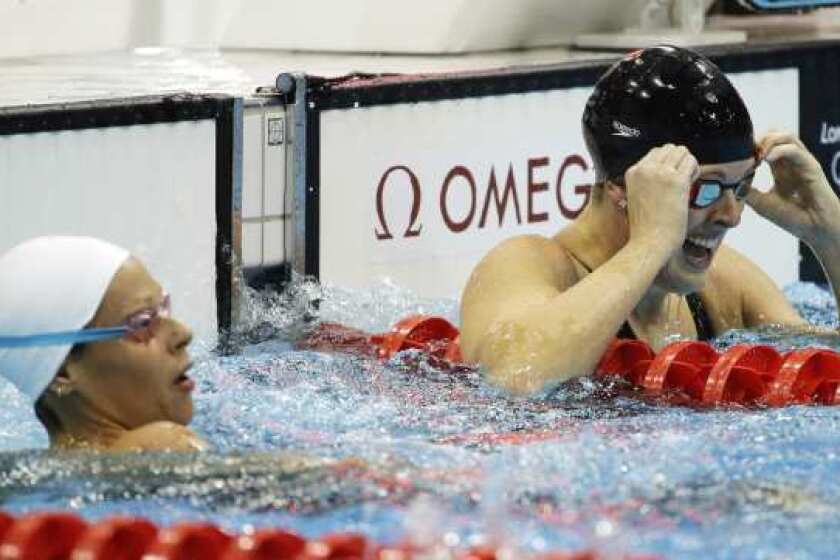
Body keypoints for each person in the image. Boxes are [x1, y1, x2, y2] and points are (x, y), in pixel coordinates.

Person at [460, 45, 840, 395]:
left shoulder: (722, 287)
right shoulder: (527, 264)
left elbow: (819, 371)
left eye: (740, 186)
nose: (732, 215)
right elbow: (514, 376)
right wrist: (651, 244)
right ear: (622, 187)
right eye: (705, 188)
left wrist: (831, 236)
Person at [0, 236, 205, 451]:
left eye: (164, 307)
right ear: (62, 373)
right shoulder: (164, 447)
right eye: (143, 322)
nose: (184, 333)